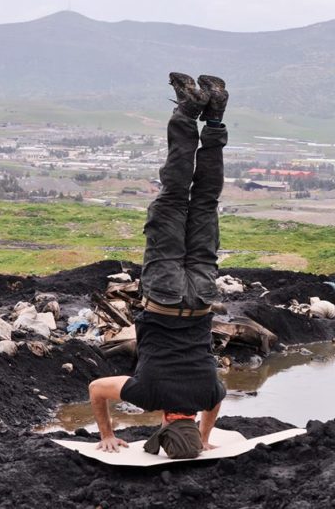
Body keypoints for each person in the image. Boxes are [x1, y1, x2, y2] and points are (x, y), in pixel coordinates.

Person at [88, 72, 229, 459]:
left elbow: (217, 401)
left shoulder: (209, 394)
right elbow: (97, 390)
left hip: (201, 295)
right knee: (173, 195)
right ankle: (187, 109)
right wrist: (107, 435)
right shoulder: (147, 396)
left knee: (204, 201)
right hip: (164, 294)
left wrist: (203, 438)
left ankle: (214, 117)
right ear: (166, 424)